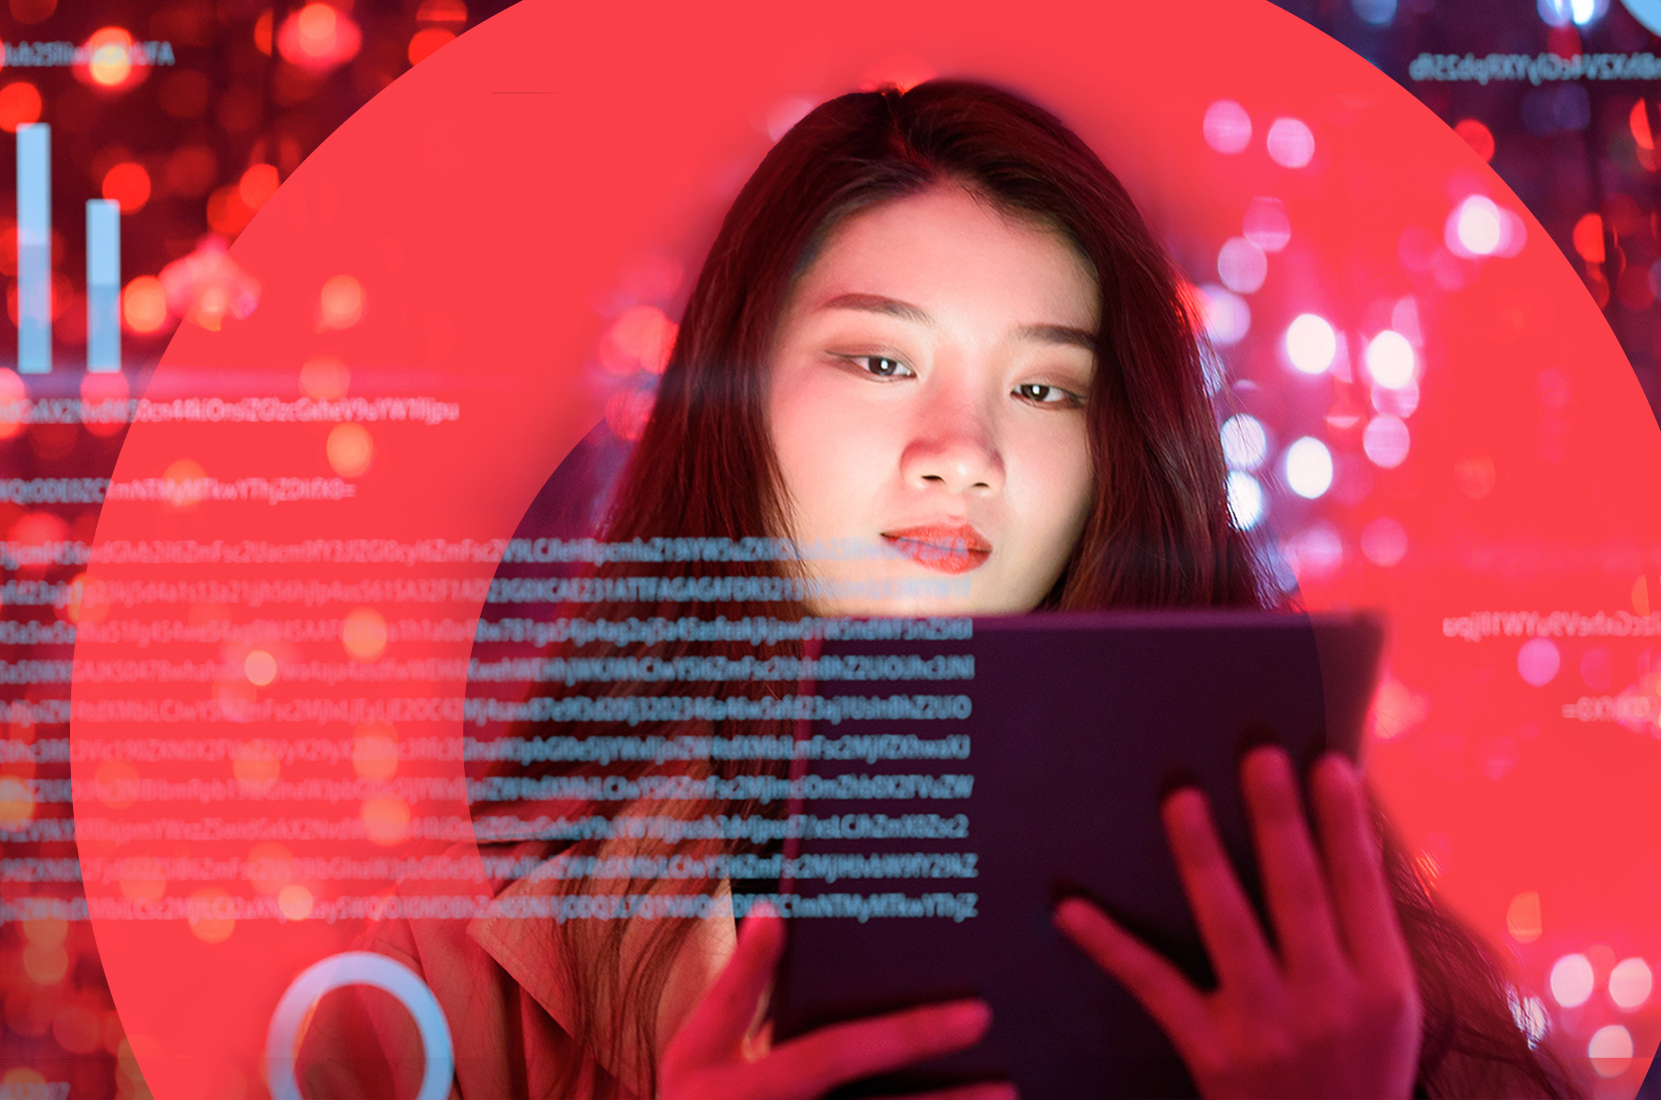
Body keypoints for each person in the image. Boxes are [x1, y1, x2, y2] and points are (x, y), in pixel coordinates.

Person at [299, 80, 1574, 1100]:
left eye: (1042, 387)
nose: (961, 447)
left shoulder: (1338, 962)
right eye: (875, 356)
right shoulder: (427, 977)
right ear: (734, 411)